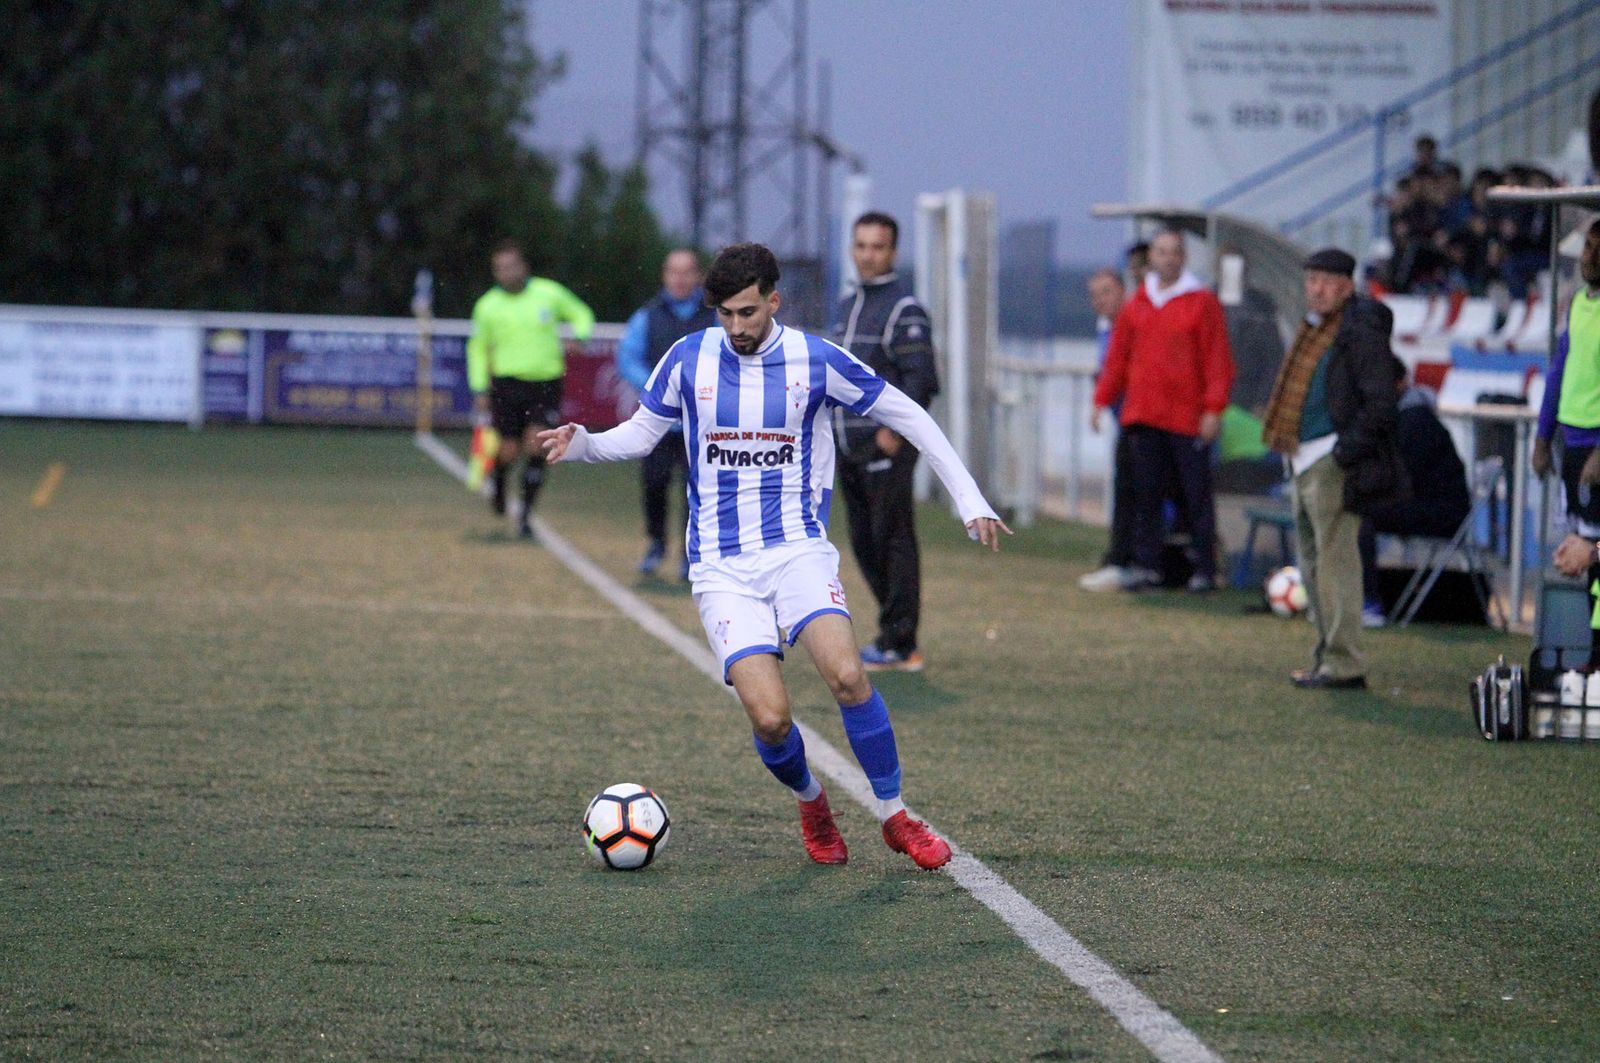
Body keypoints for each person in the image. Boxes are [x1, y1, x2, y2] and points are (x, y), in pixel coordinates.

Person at [538, 243, 1010, 870]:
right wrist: (585, 445)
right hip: (721, 568)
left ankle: (896, 816)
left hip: (796, 551)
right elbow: (644, 433)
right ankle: (813, 802)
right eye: (725, 314)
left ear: (773, 301)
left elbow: (910, 414)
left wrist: (968, 498)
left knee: (845, 675)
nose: (735, 327)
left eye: (747, 313)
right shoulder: (688, 358)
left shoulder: (814, 360)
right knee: (770, 719)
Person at [1262, 248, 1408, 689]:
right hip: (1301, 456)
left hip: (1329, 459)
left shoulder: (1359, 330)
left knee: (1335, 564)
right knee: (1312, 566)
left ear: (1347, 286)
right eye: (1312, 281)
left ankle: (1345, 663)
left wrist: (1344, 454)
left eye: (1327, 281)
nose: (1318, 289)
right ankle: (1327, 655)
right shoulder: (1317, 327)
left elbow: (1382, 403)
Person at [1090, 229, 1234, 592]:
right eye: (1160, 252)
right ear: (1151, 258)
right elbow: (1118, 359)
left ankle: (1205, 568)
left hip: (1186, 418)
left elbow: (1217, 360)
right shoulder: (1138, 304)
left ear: (1182, 258)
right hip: (1144, 414)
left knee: (1195, 496)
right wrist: (1101, 399)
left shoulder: (1201, 302)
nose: (1167, 259)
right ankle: (1146, 566)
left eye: (1174, 252)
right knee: (1146, 495)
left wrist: (1213, 408)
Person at [832, 212, 941, 669]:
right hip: (846, 447)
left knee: (892, 538)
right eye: (860, 246)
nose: (867, 255)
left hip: (884, 446)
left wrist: (893, 433)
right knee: (863, 541)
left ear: (893, 252)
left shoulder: (904, 308)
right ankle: (892, 629)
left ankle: (900, 642)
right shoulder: (847, 304)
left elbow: (923, 378)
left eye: (877, 247)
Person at [467, 240, 595, 538]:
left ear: (523, 267)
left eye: (512, 266)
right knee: (508, 450)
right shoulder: (487, 306)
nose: (507, 273)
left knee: (537, 444)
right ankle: (499, 483)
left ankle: (525, 513)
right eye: (500, 268)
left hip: (544, 382)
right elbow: (477, 348)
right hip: (506, 384)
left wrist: (581, 335)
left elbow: (581, 313)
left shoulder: (548, 293)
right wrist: (479, 388)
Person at [616, 248, 716, 578]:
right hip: (659, 423)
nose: (680, 279)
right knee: (654, 483)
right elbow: (628, 358)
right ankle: (656, 542)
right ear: (665, 275)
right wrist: (659, 388)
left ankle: (692, 553)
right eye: (674, 272)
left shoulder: (715, 314)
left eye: (687, 272)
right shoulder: (648, 315)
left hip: (701, 424)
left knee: (698, 490)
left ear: (698, 276)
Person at [1358, 358, 1471, 627]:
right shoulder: (1406, 417)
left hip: (1442, 513)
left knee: (1361, 517)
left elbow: (1401, 479)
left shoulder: (1415, 421)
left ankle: (1368, 602)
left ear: (1400, 383)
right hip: (1428, 506)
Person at [1534, 219, 1600, 653]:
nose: (1589, 256)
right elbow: (1558, 373)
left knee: (1594, 548)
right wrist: (1543, 437)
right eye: (1587, 246)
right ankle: (1590, 653)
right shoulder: (1578, 303)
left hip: (1596, 446)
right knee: (1586, 551)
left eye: (1598, 248)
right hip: (1572, 446)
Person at [1078, 268, 1135, 591]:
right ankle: (1119, 559)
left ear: (1123, 290)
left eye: (1107, 291)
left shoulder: (1130, 325)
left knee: (1134, 493)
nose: (1100, 300)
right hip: (1125, 420)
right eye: (1095, 294)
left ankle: (1126, 562)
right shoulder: (1106, 329)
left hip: (1142, 420)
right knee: (1124, 488)